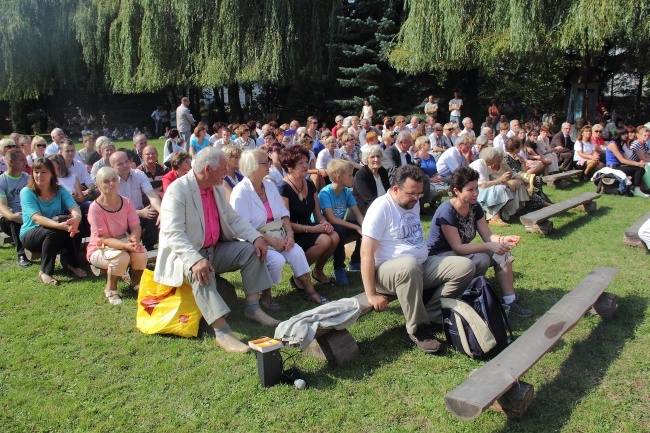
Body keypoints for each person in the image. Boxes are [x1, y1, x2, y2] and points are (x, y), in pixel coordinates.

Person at [154, 147, 278, 354]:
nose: (227, 172)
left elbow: (233, 219)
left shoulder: (217, 188)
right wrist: (194, 260)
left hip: (215, 248)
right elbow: (172, 233)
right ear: (207, 169)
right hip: (185, 255)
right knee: (201, 271)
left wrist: (256, 237)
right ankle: (222, 331)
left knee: (250, 250)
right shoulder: (178, 190)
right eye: (223, 169)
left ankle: (253, 308)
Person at [361, 164, 475, 353]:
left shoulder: (411, 202)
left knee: (465, 266)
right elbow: (366, 252)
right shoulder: (381, 208)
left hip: (419, 265)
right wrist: (371, 294)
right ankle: (419, 329)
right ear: (396, 189)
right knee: (409, 265)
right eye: (412, 194)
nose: (416, 199)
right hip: (387, 272)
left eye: (419, 194)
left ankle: (433, 314)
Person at [427, 166, 533, 317]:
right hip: (439, 257)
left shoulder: (474, 205)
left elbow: (487, 235)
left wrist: (502, 240)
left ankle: (510, 300)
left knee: (503, 251)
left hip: (457, 252)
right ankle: (467, 298)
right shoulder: (447, 211)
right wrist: (489, 246)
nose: (476, 193)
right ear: (457, 190)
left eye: (476, 188)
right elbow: (458, 247)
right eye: (470, 190)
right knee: (481, 259)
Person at [231, 149, 328, 309]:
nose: (270, 164)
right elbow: (243, 226)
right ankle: (266, 296)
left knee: (296, 252)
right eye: (265, 162)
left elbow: (283, 214)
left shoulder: (269, 185)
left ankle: (310, 292)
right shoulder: (241, 192)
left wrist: (290, 234)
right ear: (252, 166)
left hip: (279, 233)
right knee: (277, 260)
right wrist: (270, 241)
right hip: (255, 239)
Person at [19, 158, 86, 285]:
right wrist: (60, 226)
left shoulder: (60, 190)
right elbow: (37, 218)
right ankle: (45, 271)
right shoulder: (27, 192)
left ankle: (73, 264)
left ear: (51, 174)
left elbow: (74, 207)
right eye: (36, 172)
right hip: (31, 233)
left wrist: (76, 218)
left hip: (58, 230)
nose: (39, 175)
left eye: (44, 172)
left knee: (77, 225)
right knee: (54, 231)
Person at [278, 146, 338, 287]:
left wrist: (324, 223)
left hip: (309, 226)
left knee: (334, 236)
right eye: (301, 163)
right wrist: (313, 229)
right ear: (289, 167)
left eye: (306, 161)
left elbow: (317, 213)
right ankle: (299, 275)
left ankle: (317, 271)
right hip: (291, 232)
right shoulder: (282, 187)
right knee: (324, 240)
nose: (306, 165)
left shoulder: (310, 184)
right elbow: (284, 221)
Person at [87, 167, 147, 305]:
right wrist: (126, 246)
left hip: (123, 241)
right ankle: (111, 289)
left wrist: (134, 239)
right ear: (99, 185)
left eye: (114, 180)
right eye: (106, 181)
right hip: (99, 248)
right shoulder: (95, 208)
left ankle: (136, 284)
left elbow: (136, 226)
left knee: (141, 253)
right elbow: (104, 239)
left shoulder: (126, 202)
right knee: (122, 256)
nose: (111, 184)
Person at [318, 159, 364, 282]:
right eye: (350, 175)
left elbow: (358, 214)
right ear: (339, 178)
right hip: (324, 228)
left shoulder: (346, 192)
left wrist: (364, 228)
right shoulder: (325, 193)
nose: (352, 178)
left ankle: (356, 261)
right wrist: (356, 227)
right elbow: (331, 219)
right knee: (339, 231)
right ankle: (338, 268)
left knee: (364, 230)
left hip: (339, 225)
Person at [109, 151, 162, 251]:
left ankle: (149, 247)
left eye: (126, 161)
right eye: (120, 164)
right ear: (112, 167)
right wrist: (139, 213)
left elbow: (151, 194)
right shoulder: (110, 181)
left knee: (154, 210)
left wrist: (161, 212)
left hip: (139, 214)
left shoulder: (139, 174)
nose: (125, 165)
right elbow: (115, 209)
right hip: (120, 218)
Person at [469, 146, 528, 226]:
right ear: (491, 158)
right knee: (500, 188)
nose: (497, 160)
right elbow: (483, 185)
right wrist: (501, 180)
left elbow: (488, 183)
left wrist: (503, 181)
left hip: (479, 189)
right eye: (496, 157)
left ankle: (502, 215)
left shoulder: (484, 164)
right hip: (474, 191)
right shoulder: (479, 165)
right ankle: (494, 217)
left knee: (502, 187)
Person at [0, 149, 31, 267]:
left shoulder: (27, 178)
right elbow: (2, 206)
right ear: (11, 163)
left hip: (27, 214)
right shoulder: (2, 181)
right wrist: (12, 216)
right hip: (7, 219)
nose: (25, 162)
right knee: (15, 218)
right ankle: (21, 254)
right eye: (21, 160)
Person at [606, 129, 648, 197]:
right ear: (618, 135)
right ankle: (636, 189)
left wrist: (638, 163)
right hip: (613, 167)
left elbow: (626, 158)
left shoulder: (619, 144)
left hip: (618, 166)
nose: (626, 135)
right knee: (639, 169)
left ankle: (635, 188)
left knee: (640, 169)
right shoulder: (613, 144)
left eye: (626, 134)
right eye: (624, 134)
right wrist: (638, 164)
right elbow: (622, 160)